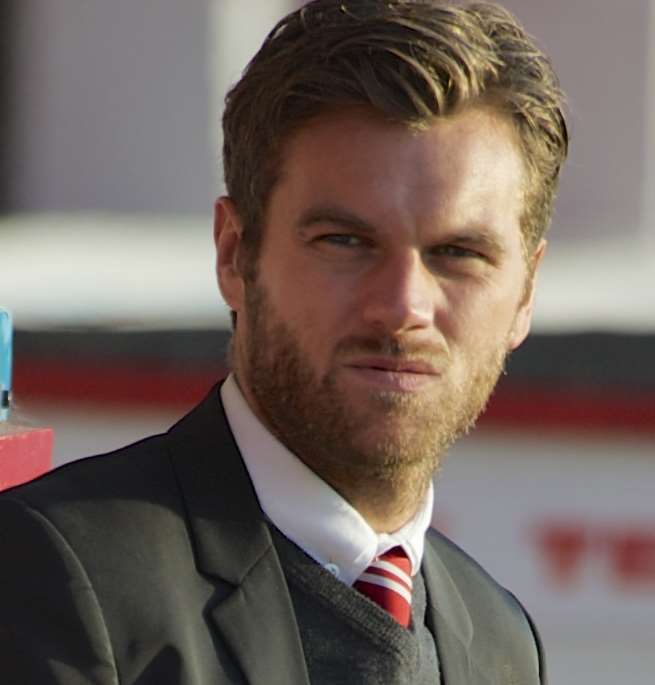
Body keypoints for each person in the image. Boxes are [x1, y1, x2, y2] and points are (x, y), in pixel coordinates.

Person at [0, 0, 568, 682]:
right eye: (346, 242)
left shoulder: (501, 641)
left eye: (458, 253)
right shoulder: (56, 569)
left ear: (525, 294)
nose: (402, 306)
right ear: (235, 252)